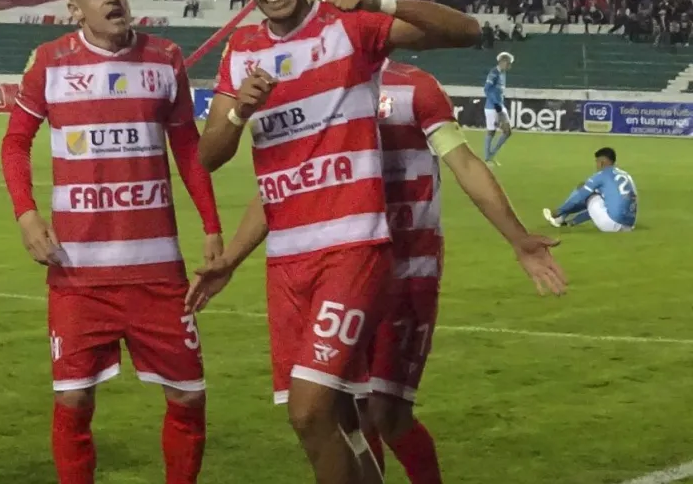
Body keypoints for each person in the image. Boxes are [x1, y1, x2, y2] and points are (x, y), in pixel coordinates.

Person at [195, 0, 481, 484]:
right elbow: (209, 154)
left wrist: (382, 3)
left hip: (353, 247)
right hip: (286, 262)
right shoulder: (242, 52)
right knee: (332, 422)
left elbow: (467, 31)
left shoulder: (347, 27)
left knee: (309, 411)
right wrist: (238, 111)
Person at [188, 56, 567, 484]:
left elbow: (463, 163)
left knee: (385, 411)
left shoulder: (414, 87)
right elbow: (285, 186)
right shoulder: (317, 89)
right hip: (341, 269)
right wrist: (232, 259)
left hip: (406, 267)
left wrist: (517, 237)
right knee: (343, 411)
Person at [0, 0, 223, 484]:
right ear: (75, 10)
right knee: (74, 400)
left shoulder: (165, 59)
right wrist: (27, 214)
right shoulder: (49, 64)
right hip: (79, 274)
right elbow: (14, 143)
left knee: (188, 397)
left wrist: (212, 226)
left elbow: (188, 149)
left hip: (157, 272)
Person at [544, 147, 637, 232]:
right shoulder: (626, 174)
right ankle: (566, 220)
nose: (596, 165)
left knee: (584, 190)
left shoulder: (601, 175)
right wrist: (574, 221)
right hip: (629, 225)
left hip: (611, 224)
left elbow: (581, 196)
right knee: (597, 196)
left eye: (597, 162)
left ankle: (559, 217)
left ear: (602, 162)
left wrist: (560, 210)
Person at [484, 51, 513, 164]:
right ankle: (487, 158)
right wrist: (495, 103)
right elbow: (487, 89)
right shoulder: (493, 73)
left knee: (507, 131)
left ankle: (492, 154)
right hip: (492, 107)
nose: (509, 65)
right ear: (502, 61)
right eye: (508, 63)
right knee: (491, 131)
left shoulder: (502, 74)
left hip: (500, 106)